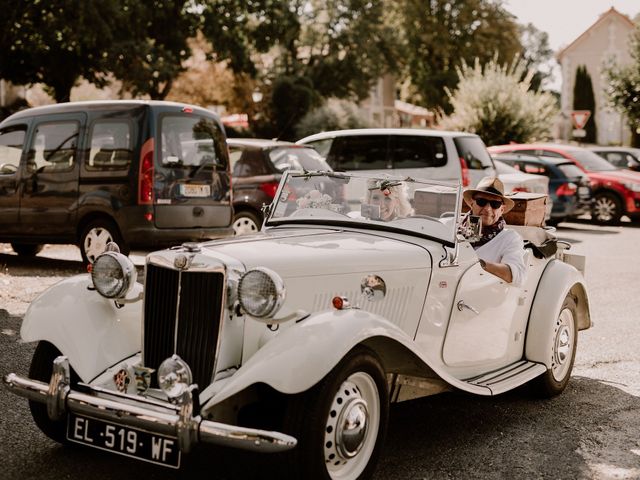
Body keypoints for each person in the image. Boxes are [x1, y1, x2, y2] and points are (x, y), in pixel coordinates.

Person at [463, 177, 526, 286]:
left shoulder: (510, 238)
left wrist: (478, 264)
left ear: (502, 210)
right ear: (472, 203)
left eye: (495, 204)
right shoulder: (452, 225)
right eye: (481, 202)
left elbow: (516, 275)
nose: (487, 209)